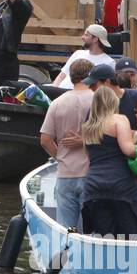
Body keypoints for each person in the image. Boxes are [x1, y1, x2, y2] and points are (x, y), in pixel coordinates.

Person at [79, 85, 137, 239]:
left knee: (104, 238)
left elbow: (89, 157)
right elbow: (128, 150)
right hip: (121, 186)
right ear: (113, 102)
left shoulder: (88, 127)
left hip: (94, 188)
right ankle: (131, 262)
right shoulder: (119, 120)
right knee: (132, 236)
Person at [39, 58, 95, 230]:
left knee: (66, 230)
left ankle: (67, 256)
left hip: (65, 174)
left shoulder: (57, 103)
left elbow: (45, 139)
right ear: (90, 77)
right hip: (91, 172)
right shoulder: (98, 100)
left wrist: (60, 156)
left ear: (71, 78)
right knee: (91, 229)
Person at [52, 24, 114, 89]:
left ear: (95, 39)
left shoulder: (109, 62)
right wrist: (53, 89)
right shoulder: (78, 53)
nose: (82, 37)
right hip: (60, 92)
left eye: (86, 35)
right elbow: (62, 76)